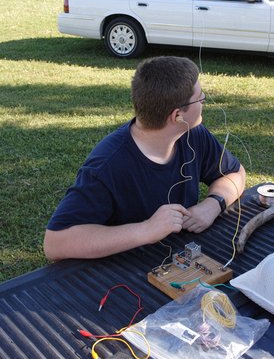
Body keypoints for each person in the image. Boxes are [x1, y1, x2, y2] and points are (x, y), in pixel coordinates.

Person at [44, 56, 246, 261]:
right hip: (122, 272)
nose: (203, 100)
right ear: (177, 115)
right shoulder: (108, 165)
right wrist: (146, 230)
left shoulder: (193, 134)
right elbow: (55, 243)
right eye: (199, 97)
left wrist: (213, 204)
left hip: (173, 261)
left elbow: (235, 173)